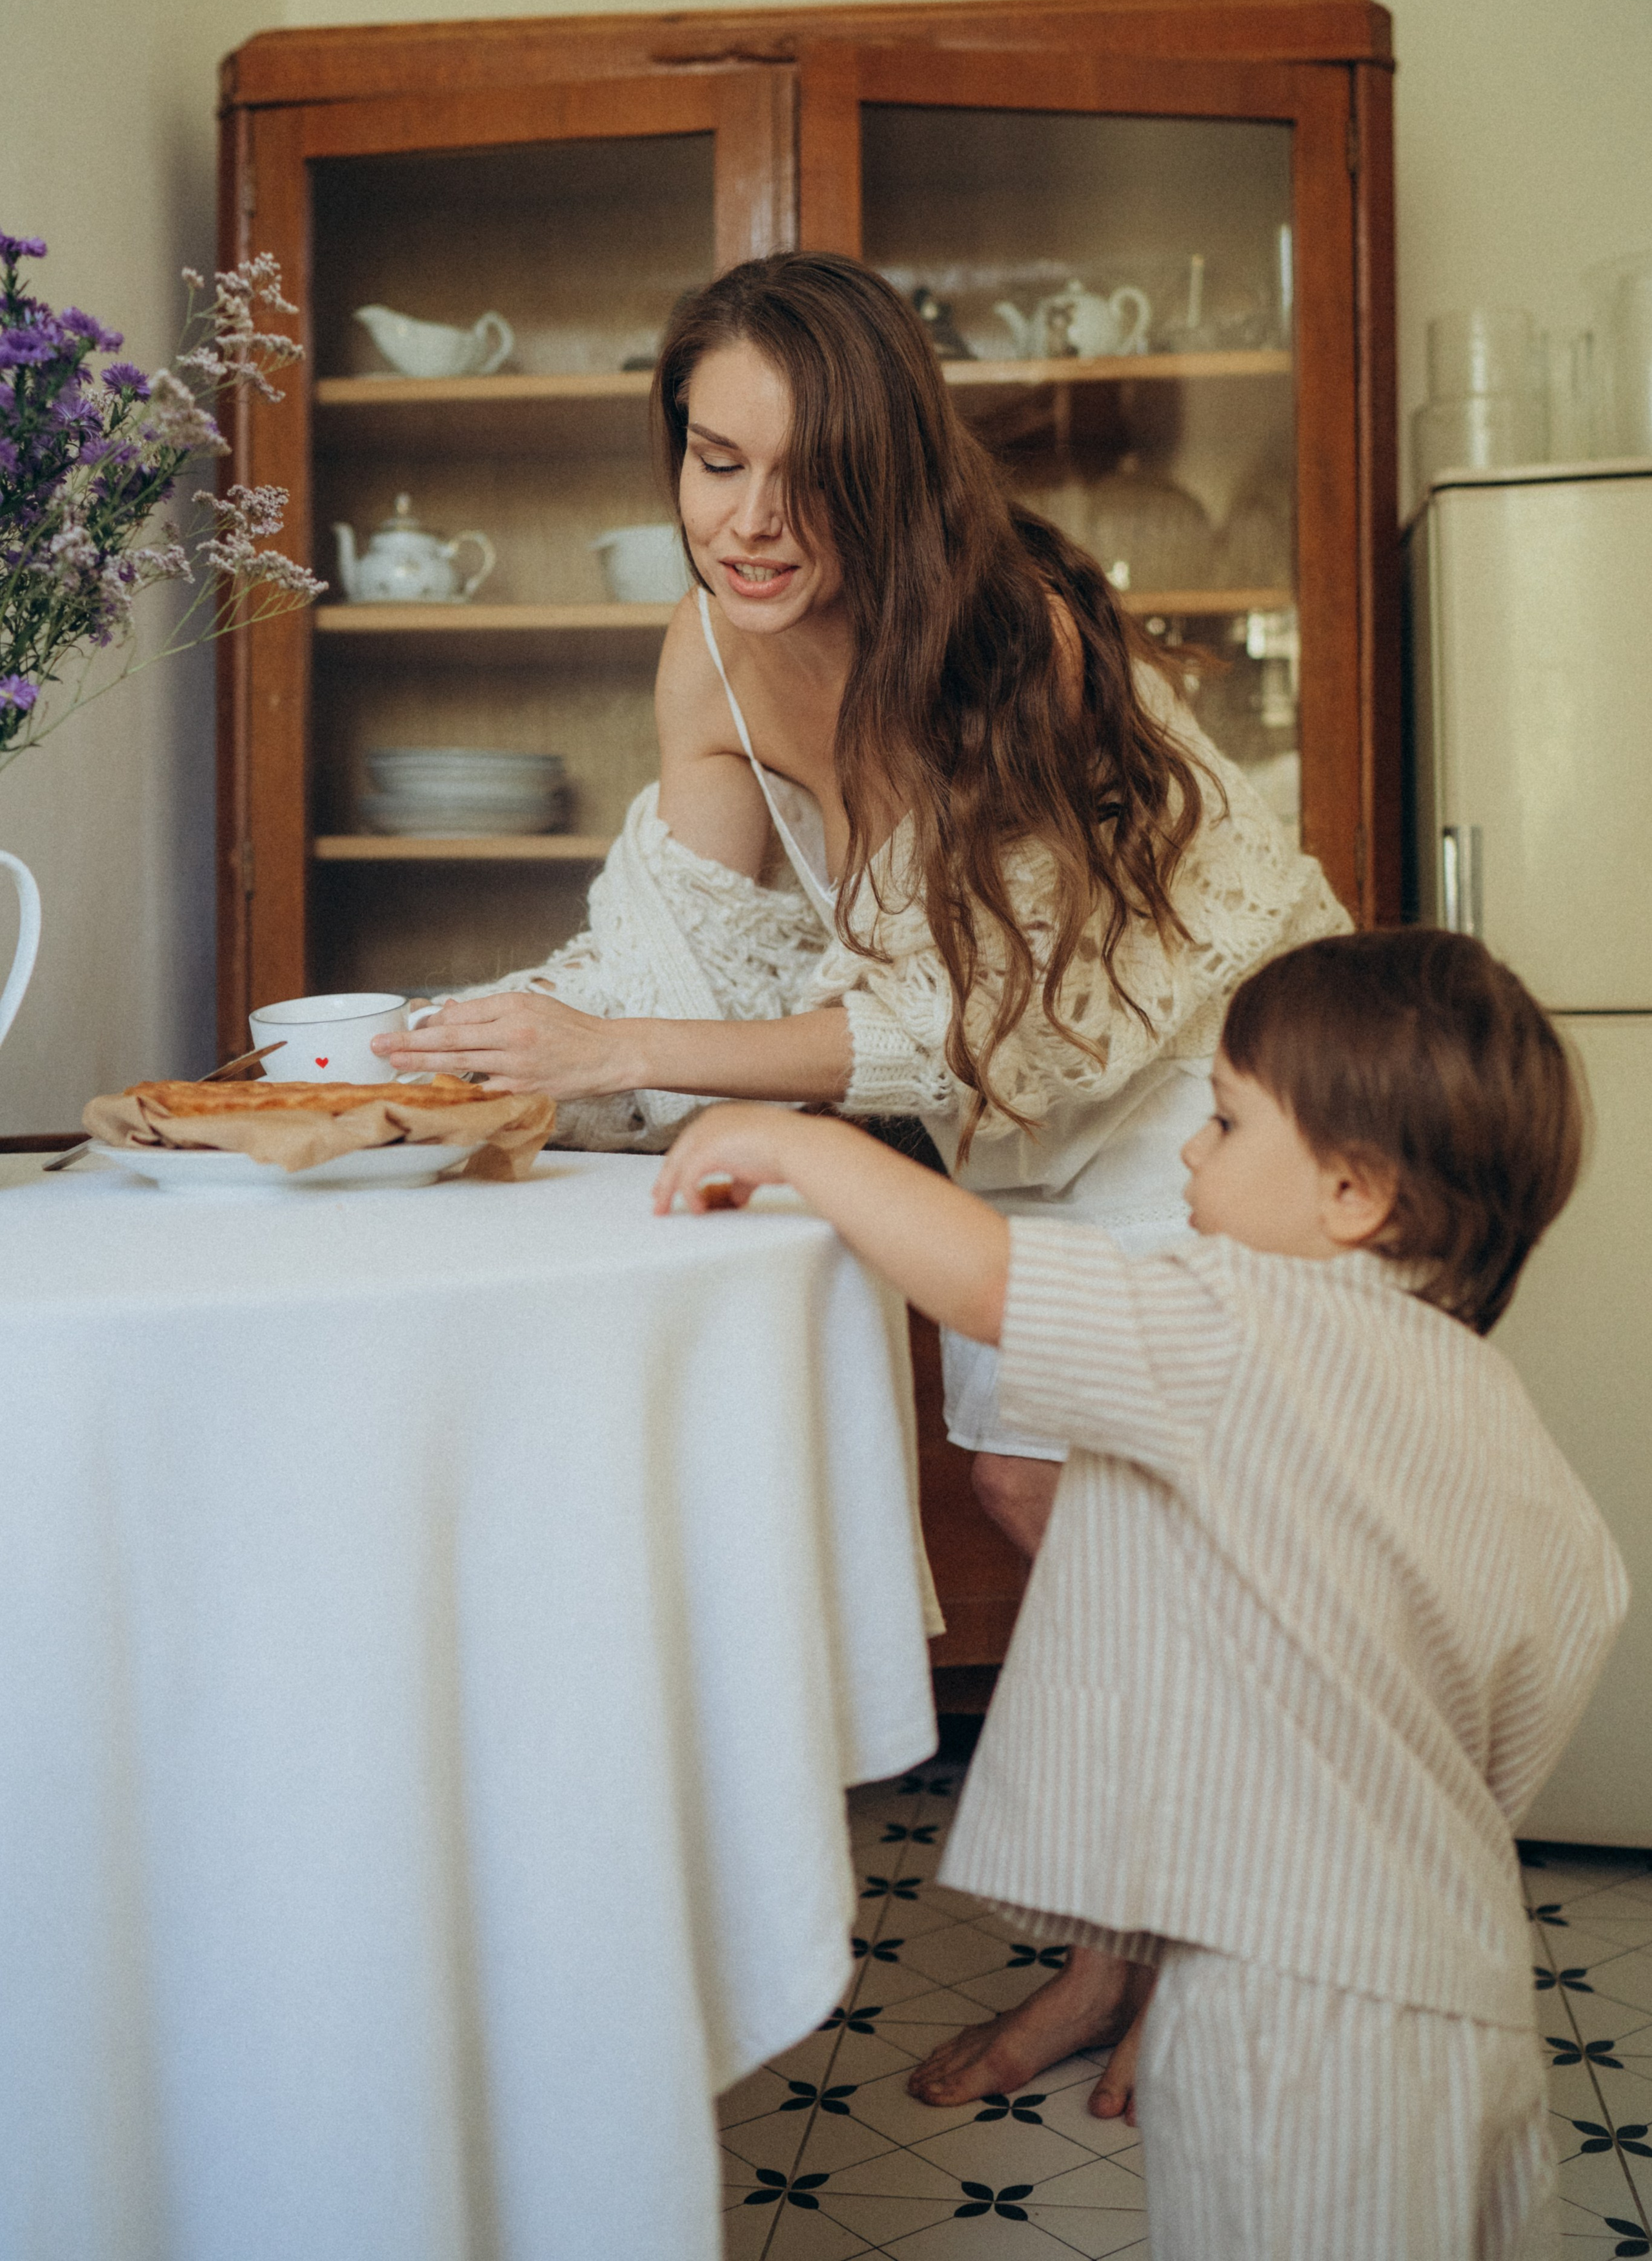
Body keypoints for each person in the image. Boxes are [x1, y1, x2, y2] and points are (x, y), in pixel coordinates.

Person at [652, 929, 1627, 2261]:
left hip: (1285, 2003)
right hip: (1462, 1981)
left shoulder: (1247, 1324)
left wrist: (800, 1144)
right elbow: (1527, 1709)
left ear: (1350, 1193)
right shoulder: (1505, 1435)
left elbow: (994, 1281)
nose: (1187, 1151)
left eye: (1222, 1122)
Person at [374, 251, 1346, 1565]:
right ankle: (1150, 1747)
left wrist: (617, 1051)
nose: (751, 524)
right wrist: (461, 1050)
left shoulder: (1016, 645)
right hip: (1011, 1123)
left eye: (812, 477)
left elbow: (961, 1025)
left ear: (890, 477)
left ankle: (1235, 1756)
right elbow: (693, 948)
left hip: (1209, 1070)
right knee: (1018, 1482)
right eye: (717, 462)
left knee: (1185, 1484)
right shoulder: (708, 649)